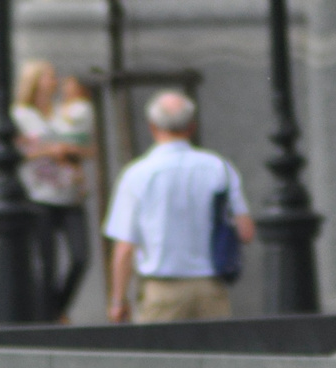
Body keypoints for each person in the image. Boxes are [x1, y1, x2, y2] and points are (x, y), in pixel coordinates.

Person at [103, 90, 254, 324]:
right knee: (218, 357)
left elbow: (124, 248)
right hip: (211, 289)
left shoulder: (137, 174)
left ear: (152, 127)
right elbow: (246, 231)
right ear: (192, 127)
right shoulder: (218, 167)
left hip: (162, 291)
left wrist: (118, 300)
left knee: (160, 359)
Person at [13, 60, 92, 322]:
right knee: (46, 263)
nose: (55, 81)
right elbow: (15, 153)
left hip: (69, 194)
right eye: (49, 76)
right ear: (34, 81)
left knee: (81, 257)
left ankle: (56, 308)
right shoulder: (20, 115)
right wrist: (50, 150)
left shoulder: (64, 113)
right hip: (40, 195)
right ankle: (49, 316)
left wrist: (71, 151)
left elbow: (87, 147)